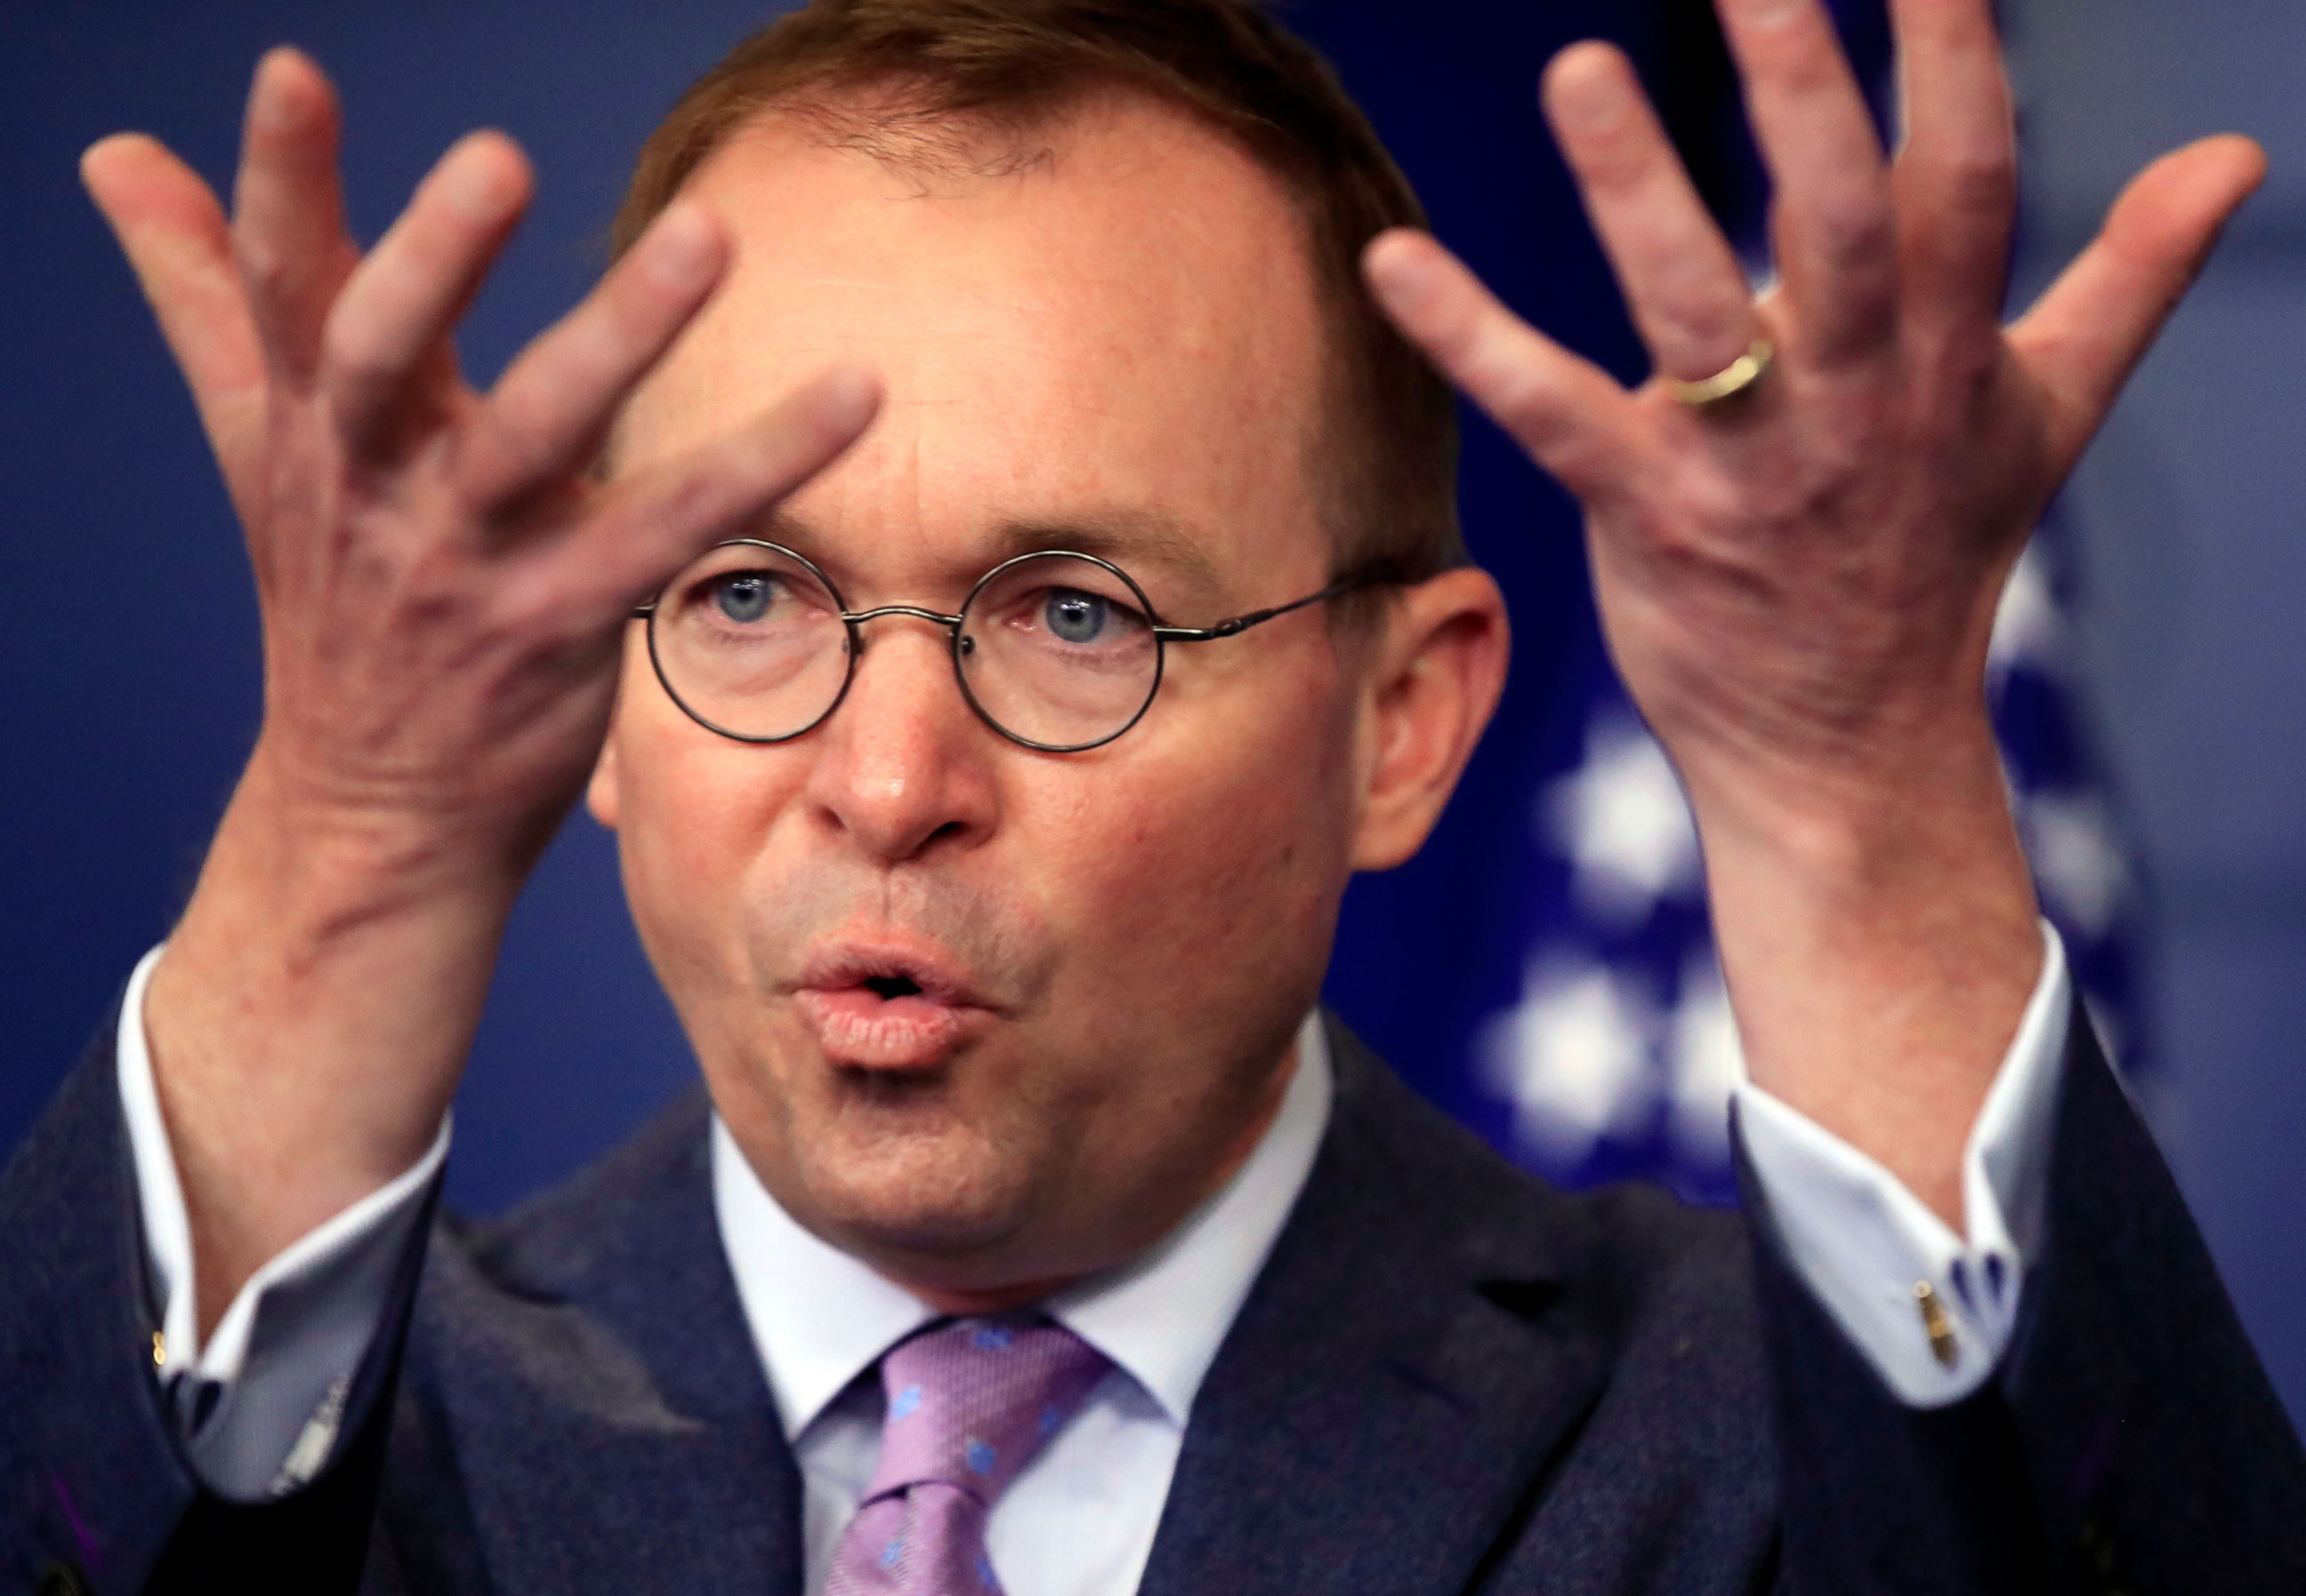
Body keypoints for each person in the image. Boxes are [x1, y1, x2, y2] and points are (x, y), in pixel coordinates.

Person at [4, 0, 2301, 1590]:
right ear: (593, 683)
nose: (887, 782)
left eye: (1076, 614)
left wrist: (1859, 812)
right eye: (745, 596)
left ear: (1401, 718)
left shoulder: (1747, 1443)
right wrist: (342, 863)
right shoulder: (341, 1439)